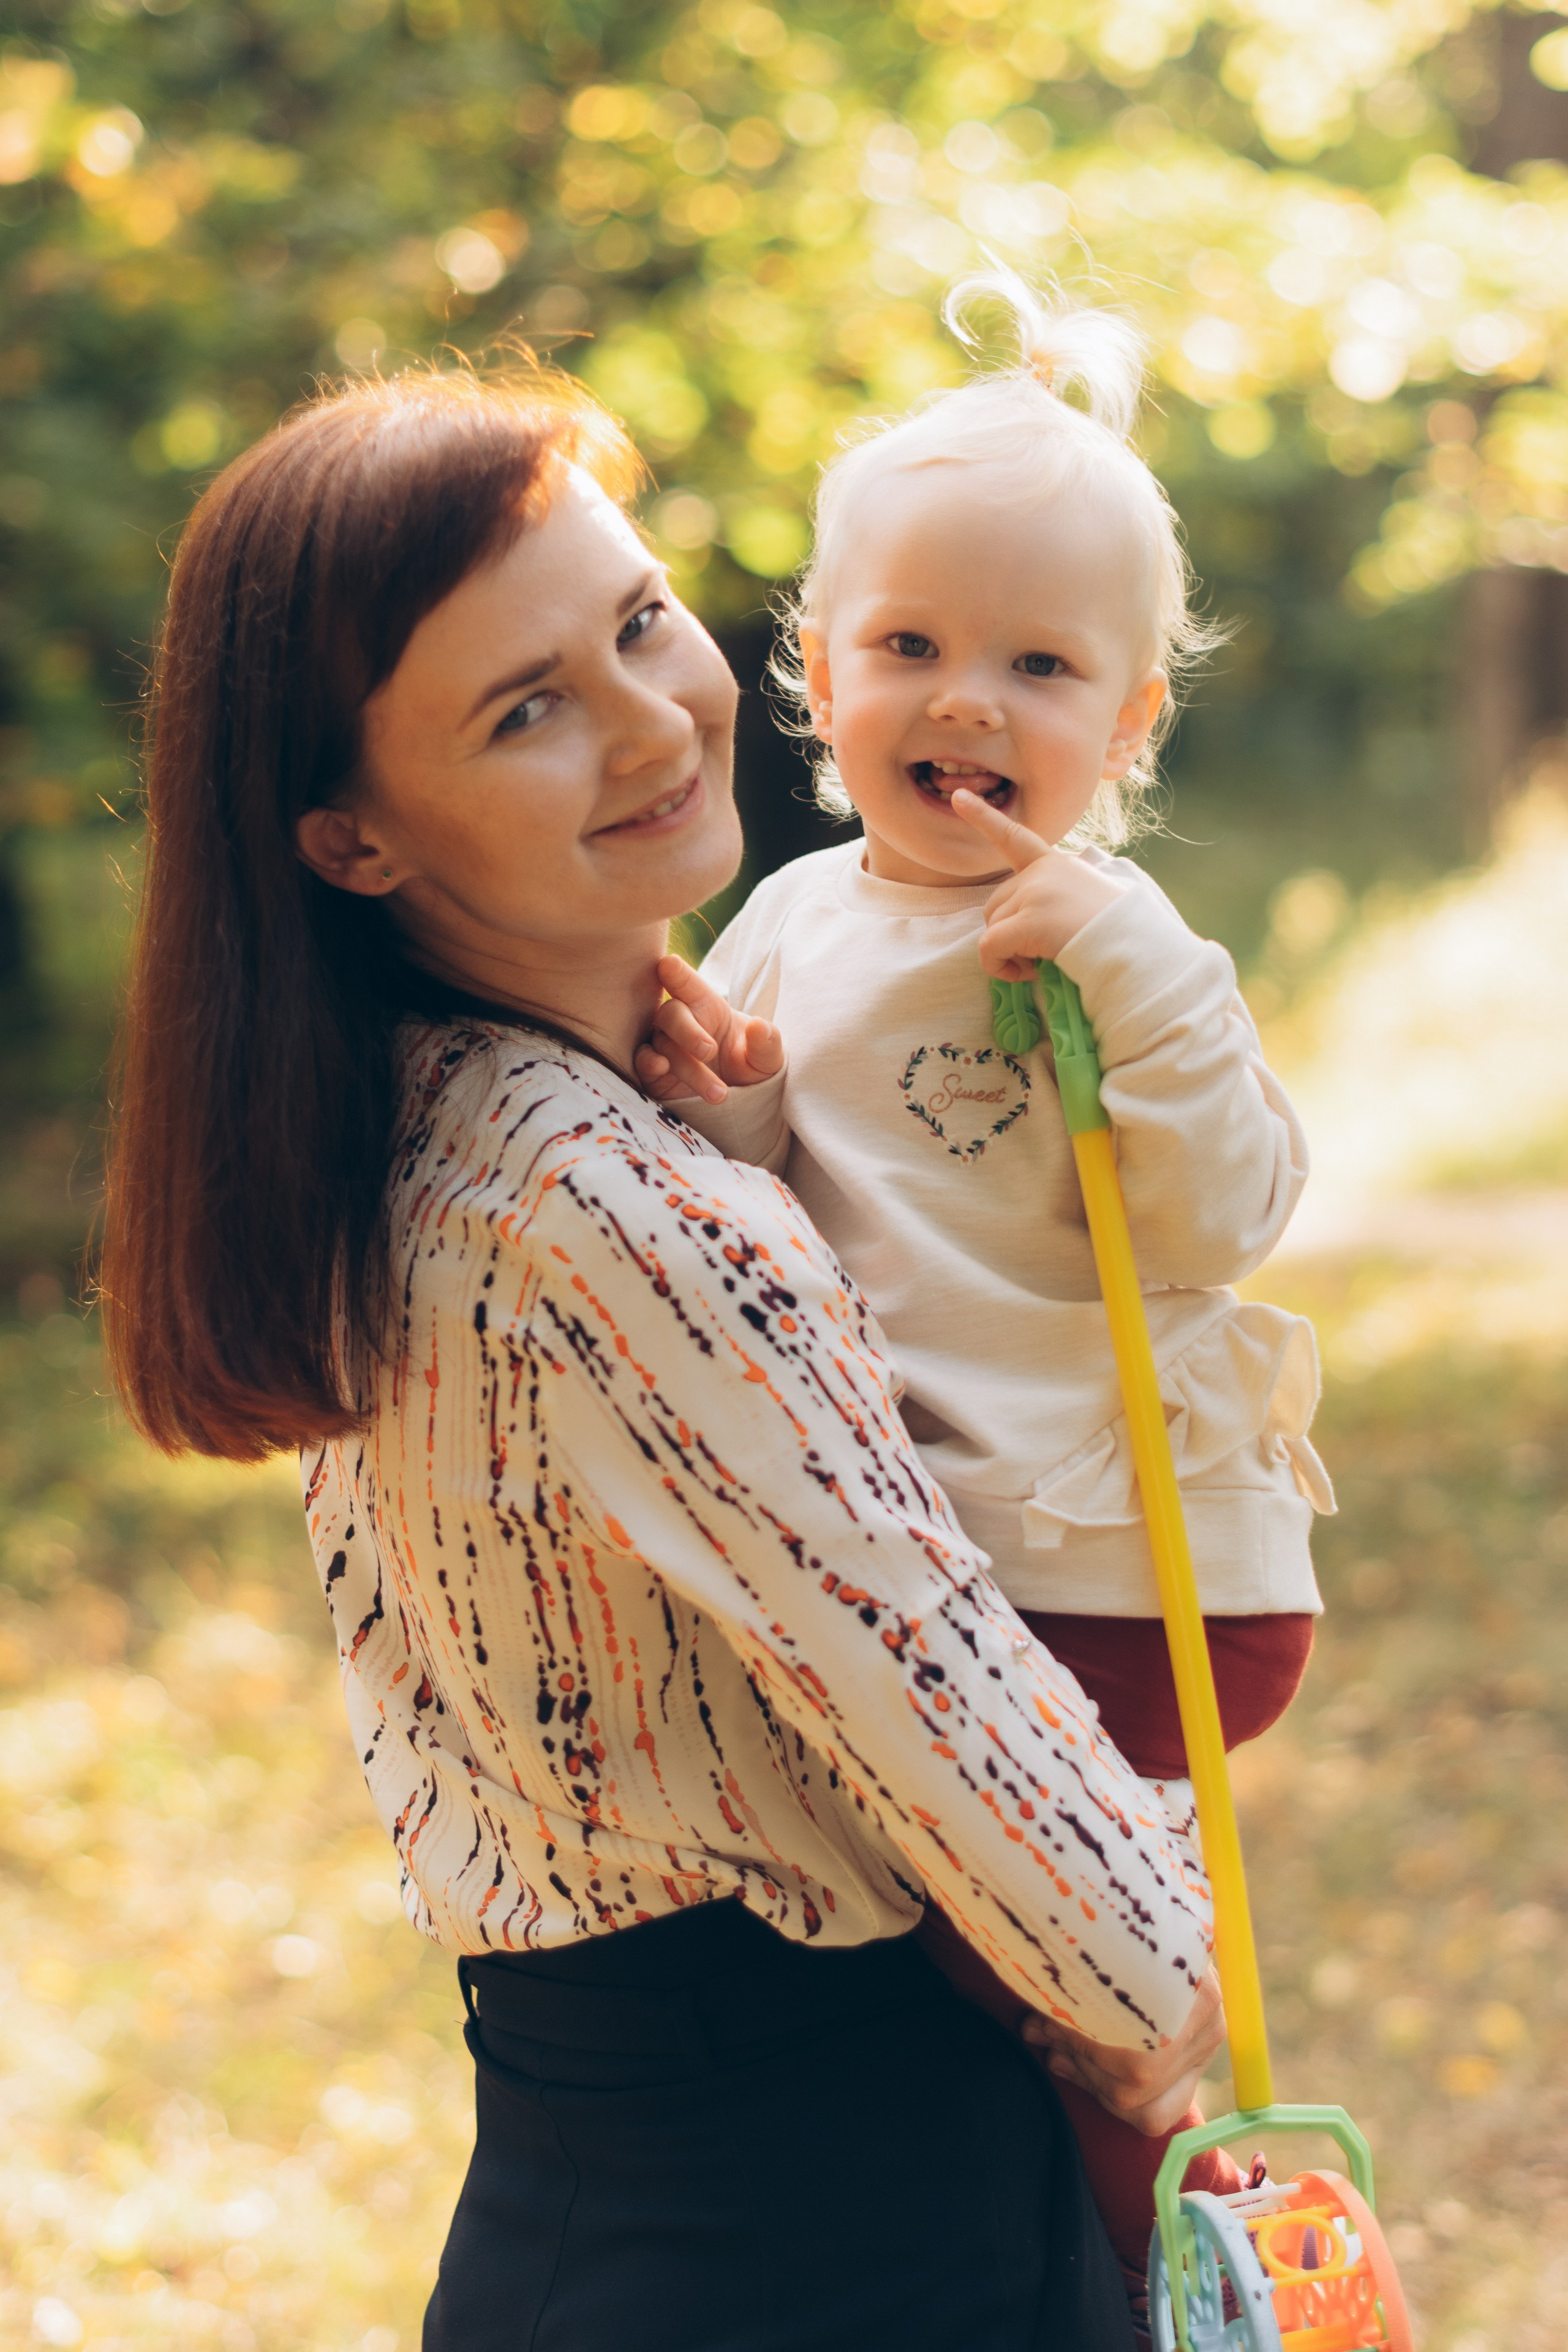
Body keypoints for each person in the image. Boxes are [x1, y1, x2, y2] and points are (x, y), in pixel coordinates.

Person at [100, 355, 1228, 2352]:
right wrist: (1167, 1988)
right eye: (527, 708)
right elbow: (931, 1679)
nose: (652, 717)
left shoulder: (422, 1114)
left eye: (637, 621)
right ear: (353, 840)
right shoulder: (613, 1210)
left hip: (602, 2181)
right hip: (833, 2233)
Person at [637, 271, 1335, 2300]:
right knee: (970, 1965)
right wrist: (745, 1113)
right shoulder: (784, 920)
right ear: (819, 673)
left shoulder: (1126, 942)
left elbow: (1230, 1213)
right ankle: (1093, 2161)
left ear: (1127, 726)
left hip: (1132, 1567)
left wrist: (1128, 967)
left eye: (1037, 667)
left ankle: (1178, 2227)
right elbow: (787, 1225)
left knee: (1068, 1972)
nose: (964, 703)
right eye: (911, 647)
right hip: (940, 1558)